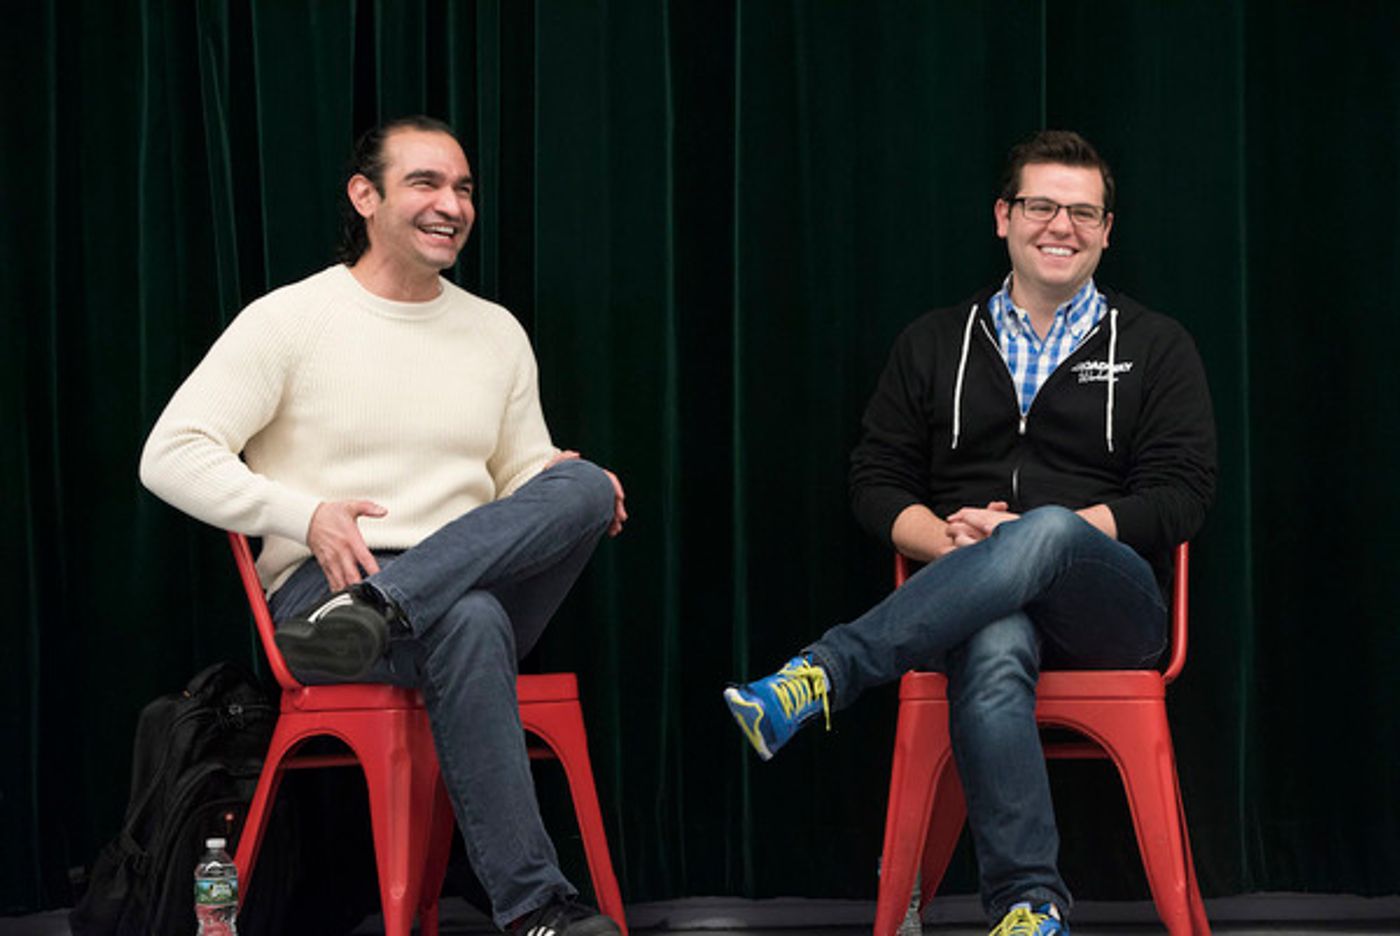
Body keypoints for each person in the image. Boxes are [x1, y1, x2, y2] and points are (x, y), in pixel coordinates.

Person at [141, 115, 626, 936]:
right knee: (469, 620)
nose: (452, 205)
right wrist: (301, 513)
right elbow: (170, 453)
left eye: (464, 188)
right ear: (365, 196)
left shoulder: (495, 331)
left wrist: (557, 482)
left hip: (445, 582)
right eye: (426, 184)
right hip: (321, 596)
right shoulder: (289, 320)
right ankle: (539, 910)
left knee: (580, 485)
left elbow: (518, 476)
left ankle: (388, 605)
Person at [723, 130, 1216, 936]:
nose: (1062, 225)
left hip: (1111, 606)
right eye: (1042, 206)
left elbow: (1182, 497)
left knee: (1049, 531)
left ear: (1107, 229)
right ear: (1003, 217)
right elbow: (874, 482)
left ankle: (823, 673)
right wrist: (958, 547)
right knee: (991, 647)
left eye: (1084, 212)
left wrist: (1040, 533)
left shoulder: (1157, 346)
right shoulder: (934, 342)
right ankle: (1030, 907)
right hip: (969, 596)